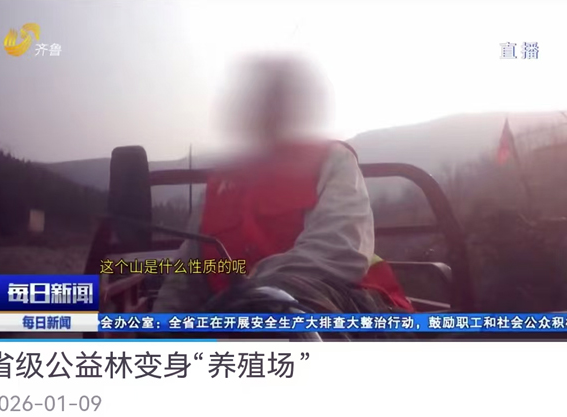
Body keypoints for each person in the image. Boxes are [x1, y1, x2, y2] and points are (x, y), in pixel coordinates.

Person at [152, 55, 413, 313]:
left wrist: (249, 297)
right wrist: (157, 331)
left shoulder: (331, 160)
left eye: (277, 99)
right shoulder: (217, 190)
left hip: (344, 314)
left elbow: (338, 251)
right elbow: (184, 281)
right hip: (237, 323)